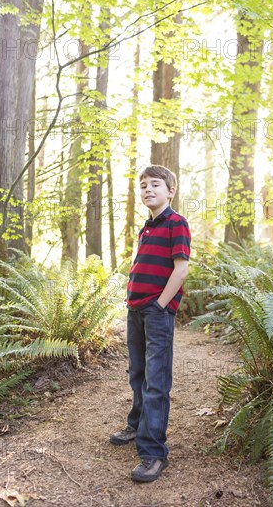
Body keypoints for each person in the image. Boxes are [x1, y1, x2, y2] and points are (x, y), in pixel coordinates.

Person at [109, 164, 191, 483]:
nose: (148, 190)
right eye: (143, 185)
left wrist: (160, 305)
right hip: (136, 311)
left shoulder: (176, 223)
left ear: (170, 190)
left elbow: (180, 270)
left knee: (155, 380)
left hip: (156, 314)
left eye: (155, 184)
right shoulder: (146, 228)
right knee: (138, 372)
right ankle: (137, 424)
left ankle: (153, 452)